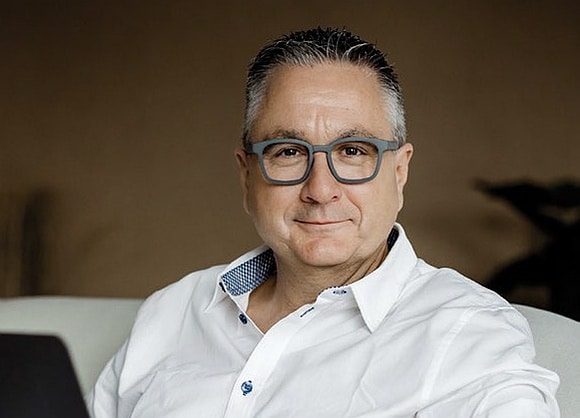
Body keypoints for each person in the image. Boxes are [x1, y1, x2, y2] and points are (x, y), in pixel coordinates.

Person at [86, 27, 560, 417]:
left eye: (352, 151)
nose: (320, 189)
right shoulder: (172, 311)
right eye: (288, 152)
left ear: (399, 173)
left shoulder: (467, 334)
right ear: (247, 176)